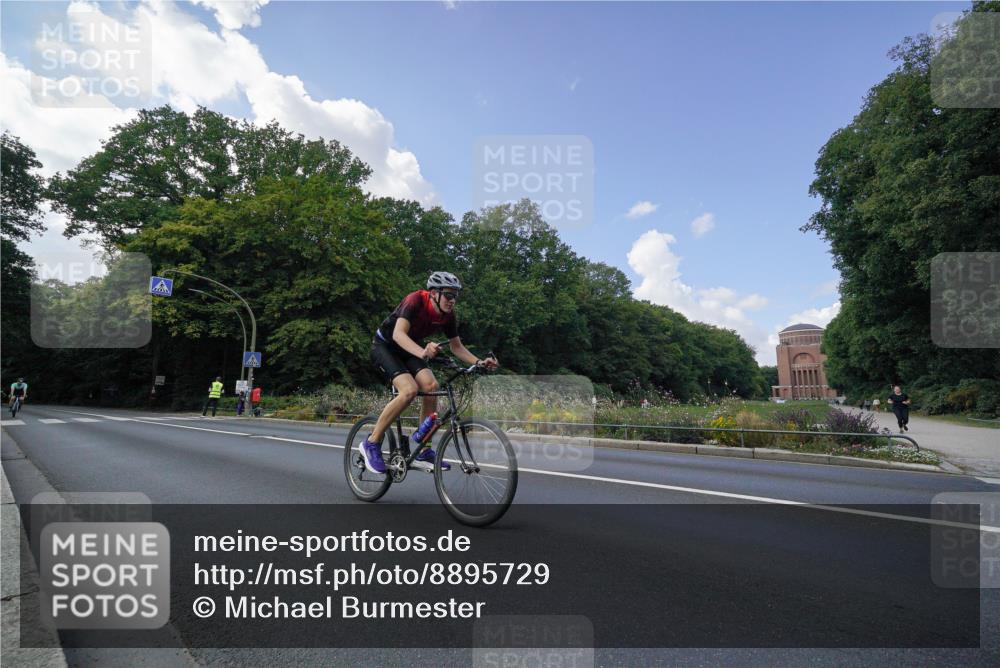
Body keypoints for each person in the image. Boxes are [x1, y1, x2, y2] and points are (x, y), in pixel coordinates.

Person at [361, 271, 498, 473]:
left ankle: (424, 450)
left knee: (432, 386)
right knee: (409, 390)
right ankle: (372, 442)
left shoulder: (448, 316)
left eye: (455, 296)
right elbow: (398, 335)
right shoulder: (415, 300)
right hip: (385, 347)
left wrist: (479, 362)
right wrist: (423, 352)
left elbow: (456, 347)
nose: (453, 301)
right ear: (434, 293)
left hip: (409, 349)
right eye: (449, 295)